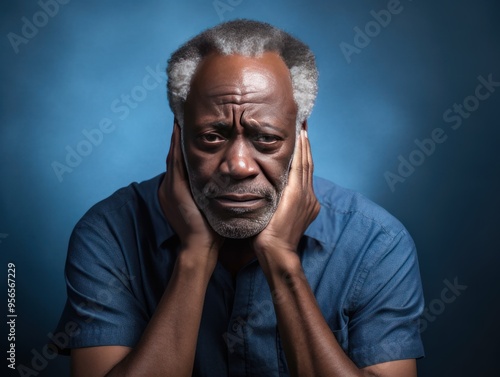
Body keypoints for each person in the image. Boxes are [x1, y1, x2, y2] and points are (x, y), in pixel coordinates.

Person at [55, 19, 424, 377]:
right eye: (212, 137)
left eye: (266, 138)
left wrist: (282, 260)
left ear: (300, 136)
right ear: (179, 136)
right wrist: (194, 256)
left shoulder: (377, 244)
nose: (239, 165)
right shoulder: (109, 235)